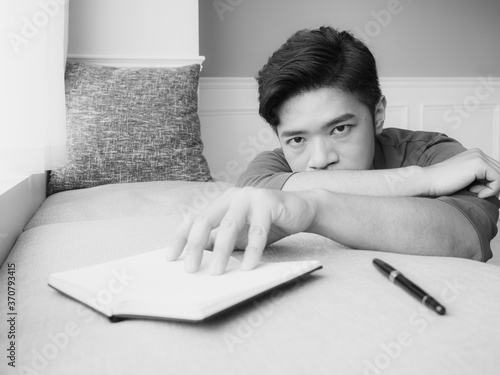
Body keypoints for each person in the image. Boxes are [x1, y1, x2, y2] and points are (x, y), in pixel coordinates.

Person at [166, 26, 500, 275]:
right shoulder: (273, 163)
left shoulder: (434, 152)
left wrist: (311, 206)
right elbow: (255, 191)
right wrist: (419, 181)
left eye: (339, 129)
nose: (321, 159)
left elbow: (467, 241)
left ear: (378, 114)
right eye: (297, 139)